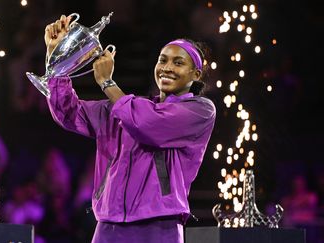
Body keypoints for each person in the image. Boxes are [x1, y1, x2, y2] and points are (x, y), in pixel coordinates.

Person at [41, 15, 216, 243]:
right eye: (162, 60)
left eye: (178, 62)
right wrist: (58, 57)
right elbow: (69, 113)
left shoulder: (199, 110)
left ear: (196, 75)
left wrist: (107, 83)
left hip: (158, 225)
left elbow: (147, 124)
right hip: (108, 225)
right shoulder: (126, 108)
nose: (167, 68)